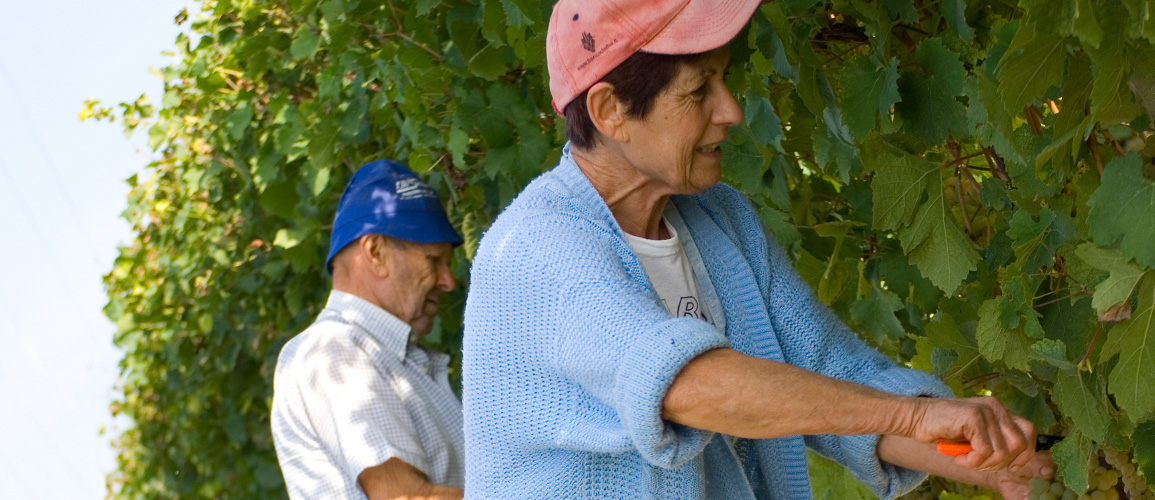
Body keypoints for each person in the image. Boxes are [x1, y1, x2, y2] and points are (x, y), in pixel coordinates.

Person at [462, 1, 1054, 499]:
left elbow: (834, 378)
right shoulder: (535, 250)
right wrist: (914, 415)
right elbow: (688, 387)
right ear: (610, 110)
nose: (732, 111)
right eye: (698, 90)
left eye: (724, 79)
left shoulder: (721, 220)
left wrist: (973, 455)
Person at [271, 159, 465, 500]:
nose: (448, 281)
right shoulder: (334, 352)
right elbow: (406, 498)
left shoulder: (397, 359)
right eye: (434, 260)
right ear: (375, 252)